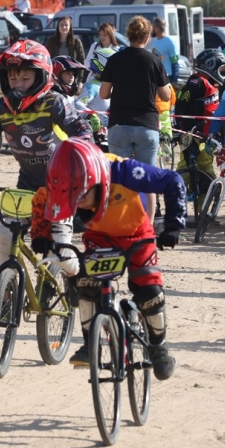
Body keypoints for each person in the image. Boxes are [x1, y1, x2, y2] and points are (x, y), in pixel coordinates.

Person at [0, 40, 91, 322]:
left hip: (62, 186)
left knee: (61, 253)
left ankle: (78, 278)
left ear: (41, 76)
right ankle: (6, 301)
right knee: (4, 235)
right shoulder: (1, 107)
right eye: (12, 75)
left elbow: (82, 132)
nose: (17, 82)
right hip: (27, 183)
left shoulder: (56, 102)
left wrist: (86, 156)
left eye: (25, 76)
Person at [41, 137, 185, 378]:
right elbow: (48, 209)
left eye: (82, 195)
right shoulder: (66, 181)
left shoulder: (123, 170)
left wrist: (173, 226)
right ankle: (90, 344)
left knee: (149, 292)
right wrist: (47, 238)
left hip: (138, 234)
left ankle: (159, 347)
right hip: (100, 237)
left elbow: (173, 180)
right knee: (87, 284)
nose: (77, 202)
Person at [98, 16, 172, 166]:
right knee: (145, 179)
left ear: (128, 35)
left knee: (120, 181)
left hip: (119, 124)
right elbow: (166, 96)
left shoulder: (115, 59)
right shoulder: (154, 61)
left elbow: (103, 94)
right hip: (147, 125)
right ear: (146, 37)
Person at [174, 49, 225, 203]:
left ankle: (204, 209)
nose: (222, 73)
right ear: (211, 66)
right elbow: (181, 102)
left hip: (206, 136)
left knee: (206, 169)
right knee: (185, 169)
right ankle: (176, 202)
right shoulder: (196, 82)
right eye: (220, 68)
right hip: (192, 135)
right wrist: (180, 129)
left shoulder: (210, 85)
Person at [148, 18, 179, 86]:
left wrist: (175, 80)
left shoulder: (170, 42)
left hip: (167, 76)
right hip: (155, 76)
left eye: (153, 27)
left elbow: (175, 62)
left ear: (157, 28)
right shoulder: (153, 42)